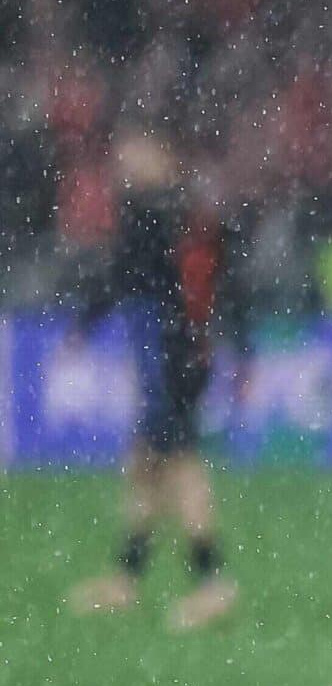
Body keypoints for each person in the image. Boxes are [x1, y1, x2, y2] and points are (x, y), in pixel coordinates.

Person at [64, 122, 238, 631]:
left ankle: (213, 583)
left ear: (161, 156)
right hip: (182, 354)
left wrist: (84, 325)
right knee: (146, 464)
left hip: (170, 358)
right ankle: (127, 577)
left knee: (180, 466)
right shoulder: (188, 213)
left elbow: (124, 275)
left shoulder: (154, 215)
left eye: (135, 150)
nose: (123, 160)